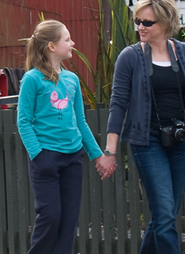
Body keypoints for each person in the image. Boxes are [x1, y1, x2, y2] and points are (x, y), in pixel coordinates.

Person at [103, 0, 185, 253]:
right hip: (147, 142)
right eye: (138, 21)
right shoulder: (130, 57)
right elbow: (118, 105)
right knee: (164, 216)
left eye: (147, 22)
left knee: (165, 215)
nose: (140, 27)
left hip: (181, 143)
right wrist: (110, 151)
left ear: (165, 23)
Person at [16, 20, 117, 254]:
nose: (72, 43)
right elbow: (23, 121)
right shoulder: (32, 79)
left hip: (72, 159)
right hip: (46, 159)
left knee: (69, 221)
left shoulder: (71, 79)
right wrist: (39, 156)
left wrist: (97, 156)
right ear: (52, 46)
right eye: (67, 39)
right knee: (51, 216)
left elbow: (80, 122)